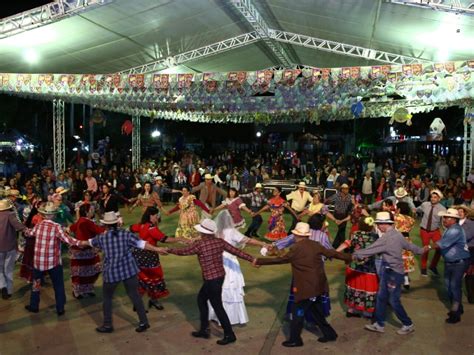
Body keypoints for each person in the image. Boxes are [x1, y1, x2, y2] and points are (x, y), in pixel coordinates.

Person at [256, 221, 352, 347]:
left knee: (298, 312)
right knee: (315, 311)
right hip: (319, 285)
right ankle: (330, 334)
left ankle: (295, 339)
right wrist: (350, 257)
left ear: (296, 235)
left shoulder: (296, 248)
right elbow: (332, 253)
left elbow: (281, 260)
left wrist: (260, 261)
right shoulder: (316, 244)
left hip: (307, 288)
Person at [164, 219, 258, 346]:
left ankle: (229, 334)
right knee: (201, 299)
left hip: (211, 280)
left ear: (203, 232)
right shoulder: (219, 242)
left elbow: (183, 252)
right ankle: (204, 329)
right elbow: (237, 252)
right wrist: (252, 258)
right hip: (219, 276)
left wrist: (169, 250)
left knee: (217, 306)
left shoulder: (200, 244)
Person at [81, 211, 166, 333]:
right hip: (128, 270)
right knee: (135, 296)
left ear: (105, 225)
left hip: (112, 273)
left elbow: (86, 243)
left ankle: (107, 325)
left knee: (107, 298)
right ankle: (144, 322)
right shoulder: (126, 235)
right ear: (116, 223)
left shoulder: (102, 238)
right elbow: (142, 244)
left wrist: (72, 240)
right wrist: (157, 249)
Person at [353, 211, 427, 335]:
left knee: (393, 300)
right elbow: (409, 246)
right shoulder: (397, 234)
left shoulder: (386, 238)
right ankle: (379, 324)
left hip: (392, 272)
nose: (378, 226)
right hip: (392, 270)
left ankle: (408, 324)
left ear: (383, 224)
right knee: (382, 298)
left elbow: (370, 250)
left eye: (379, 224)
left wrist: (354, 255)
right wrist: (420, 250)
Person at [208, 210, 267, 325]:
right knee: (230, 288)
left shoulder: (215, 231)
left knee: (218, 288)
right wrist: (262, 244)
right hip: (229, 262)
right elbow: (248, 240)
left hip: (216, 261)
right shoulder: (232, 232)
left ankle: (215, 314)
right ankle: (230, 317)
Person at [25, 202, 82, 315]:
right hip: (53, 262)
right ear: (53, 215)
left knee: (36, 284)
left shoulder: (39, 225)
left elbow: (30, 233)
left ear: (44, 215)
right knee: (58, 284)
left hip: (38, 261)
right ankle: (60, 308)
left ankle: (34, 305)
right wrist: (82, 242)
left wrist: (24, 230)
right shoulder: (56, 227)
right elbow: (68, 240)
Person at [130, 207, 186, 310]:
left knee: (143, 278)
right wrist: (179, 238)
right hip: (150, 256)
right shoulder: (151, 228)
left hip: (138, 256)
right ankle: (153, 300)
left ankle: (138, 302)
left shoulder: (141, 225)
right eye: (156, 216)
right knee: (156, 276)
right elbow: (164, 239)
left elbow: (131, 228)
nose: (157, 218)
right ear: (151, 216)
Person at [337, 216, 378, 318]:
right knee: (368, 288)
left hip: (354, 266)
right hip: (369, 267)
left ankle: (352, 310)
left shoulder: (355, 234)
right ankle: (367, 311)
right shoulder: (375, 236)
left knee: (354, 287)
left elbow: (346, 244)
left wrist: (334, 252)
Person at [436, 208, 471, 323]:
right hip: (452, 262)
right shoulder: (450, 229)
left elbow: (442, 244)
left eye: (447, 217)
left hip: (458, 263)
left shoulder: (454, 230)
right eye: (444, 217)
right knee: (449, 286)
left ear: (454, 220)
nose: (444, 219)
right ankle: (458, 308)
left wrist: (427, 247)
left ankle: (455, 313)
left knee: (454, 287)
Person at [69, 204, 105, 299]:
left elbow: (70, 228)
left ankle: (81, 290)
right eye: (91, 209)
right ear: (87, 212)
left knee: (81, 272)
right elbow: (100, 231)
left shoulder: (81, 220)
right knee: (91, 270)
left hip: (79, 251)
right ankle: (84, 290)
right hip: (86, 250)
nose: (93, 210)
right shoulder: (86, 222)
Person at [0, 199, 27, 299]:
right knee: (8, 269)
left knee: (0, 269)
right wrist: (26, 229)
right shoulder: (10, 215)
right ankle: (9, 290)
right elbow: (18, 226)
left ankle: (2, 286)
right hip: (10, 246)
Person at [416, 189, 446, 276]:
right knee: (426, 249)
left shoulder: (442, 209)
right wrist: (414, 210)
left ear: (439, 199)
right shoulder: (425, 204)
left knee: (440, 248)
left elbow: (443, 222)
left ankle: (433, 266)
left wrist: (447, 231)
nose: (433, 199)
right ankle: (423, 268)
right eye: (432, 197)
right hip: (424, 230)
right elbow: (418, 209)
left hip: (435, 231)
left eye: (435, 197)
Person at [394, 202, 416, 289]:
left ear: (399, 209)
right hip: (406, 240)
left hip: (397, 240)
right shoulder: (411, 219)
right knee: (405, 261)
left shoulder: (396, 217)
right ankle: (406, 280)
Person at [454, 205, 474, 303]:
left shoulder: (470, 223)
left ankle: (471, 296)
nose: (459, 213)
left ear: (465, 213)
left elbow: (467, 236)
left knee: (469, 275)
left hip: (469, 252)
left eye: (461, 211)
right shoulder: (454, 223)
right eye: (457, 211)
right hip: (458, 252)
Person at [326, 183, 353, 248]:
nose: (347, 190)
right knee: (342, 230)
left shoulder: (349, 196)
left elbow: (351, 206)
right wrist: (328, 202)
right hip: (337, 214)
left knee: (341, 230)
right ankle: (343, 246)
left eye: (347, 189)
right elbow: (328, 200)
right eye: (346, 189)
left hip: (345, 214)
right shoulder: (336, 196)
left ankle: (339, 245)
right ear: (342, 189)